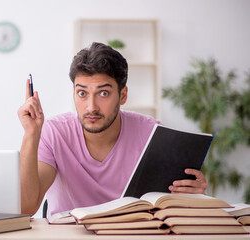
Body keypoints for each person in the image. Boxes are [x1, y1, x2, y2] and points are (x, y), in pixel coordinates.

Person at [17, 42, 207, 217]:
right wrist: (31, 134)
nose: (91, 107)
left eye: (103, 93)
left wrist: (192, 195)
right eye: (82, 93)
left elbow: (171, 210)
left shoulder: (152, 133)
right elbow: (26, 208)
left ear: (123, 95)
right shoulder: (54, 132)